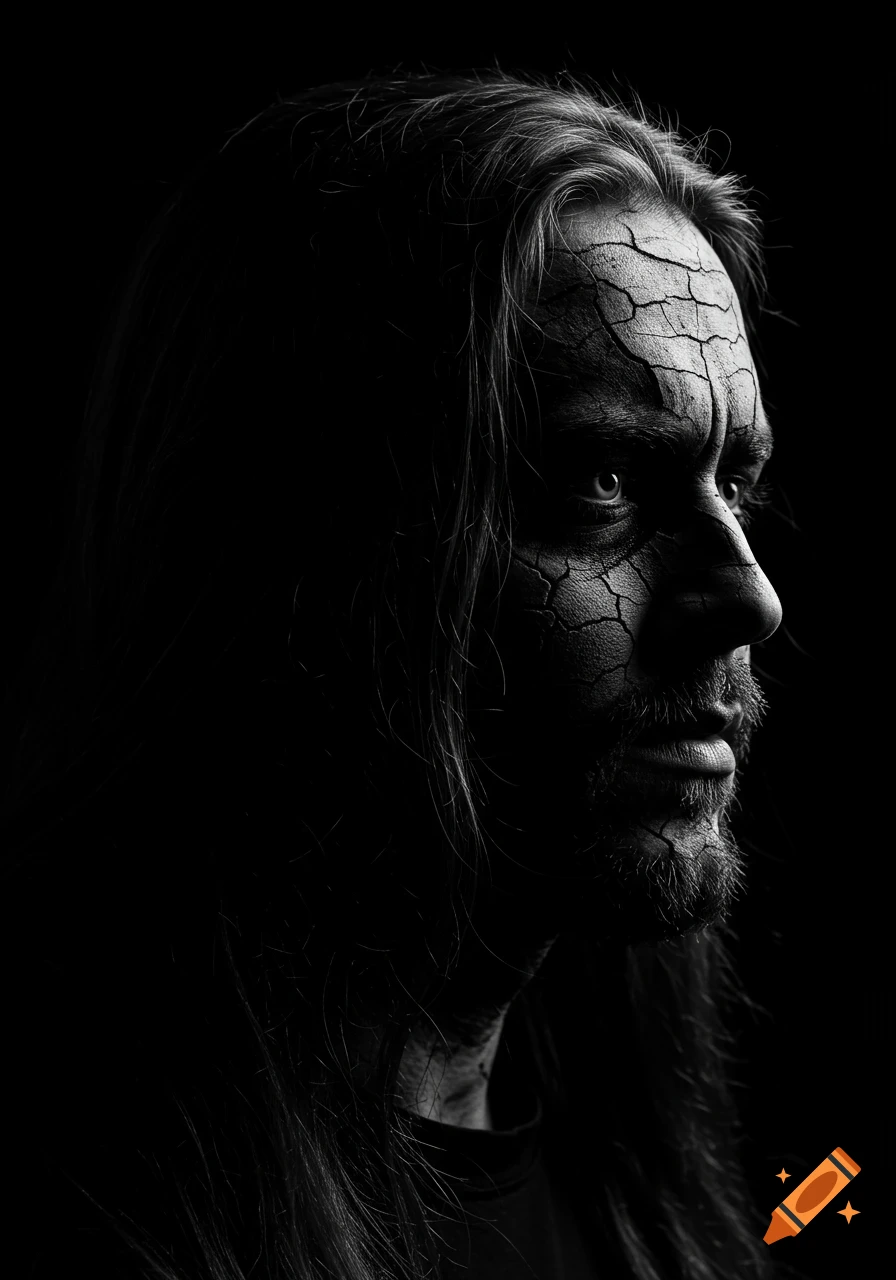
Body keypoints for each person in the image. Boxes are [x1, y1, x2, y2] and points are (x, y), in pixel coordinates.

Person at [1, 67, 794, 1279]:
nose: (746, 597)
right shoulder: (71, 1193)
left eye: (730, 481)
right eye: (602, 478)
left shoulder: (653, 1180)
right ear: (307, 534)